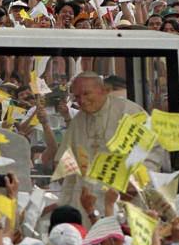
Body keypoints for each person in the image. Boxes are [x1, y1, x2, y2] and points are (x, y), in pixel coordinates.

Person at [46, 71, 164, 216]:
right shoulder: (77, 121)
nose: (82, 100)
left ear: (102, 90)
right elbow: (65, 162)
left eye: (86, 93)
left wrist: (136, 183)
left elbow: (152, 150)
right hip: (86, 201)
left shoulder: (129, 111)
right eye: (77, 96)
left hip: (124, 197)